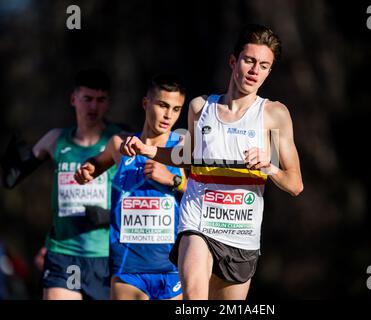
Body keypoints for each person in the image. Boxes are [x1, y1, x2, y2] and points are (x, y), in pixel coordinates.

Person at [119, 24, 304, 300]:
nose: (255, 71)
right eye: (249, 61)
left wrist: (269, 166)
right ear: (234, 61)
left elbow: (295, 184)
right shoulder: (200, 108)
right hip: (198, 223)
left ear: (269, 71)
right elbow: (186, 157)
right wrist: (148, 149)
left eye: (264, 65)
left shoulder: (274, 114)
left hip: (242, 236)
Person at [1, 68, 123, 300]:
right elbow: (11, 177)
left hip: (106, 255)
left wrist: (109, 215)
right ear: (73, 99)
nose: (93, 107)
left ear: (108, 103)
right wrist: (9, 165)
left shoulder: (119, 142)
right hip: (63, 253)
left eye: (100, 100)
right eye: (87, 99)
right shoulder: (55, 139)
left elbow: (143, 194)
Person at [74, 74, 187, 300]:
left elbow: (201, 194)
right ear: (146, 104)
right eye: (163, 105)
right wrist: (85, 171)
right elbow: (93, 166)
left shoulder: (182, 148)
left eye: (176, 109)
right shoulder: (119, 144)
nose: (168, 115)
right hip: (128, 271)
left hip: (172, 269)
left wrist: (173, 180)